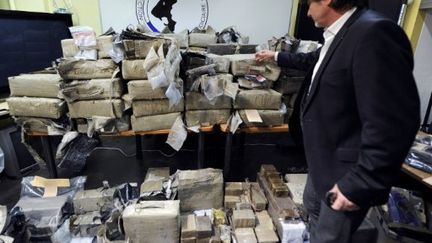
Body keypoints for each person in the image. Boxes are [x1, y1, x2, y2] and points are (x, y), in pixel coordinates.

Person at [256, 0, 420, 242]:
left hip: (346, 174)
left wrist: (361, 182)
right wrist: (276, 55)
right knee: (313, 213)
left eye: (309, 3)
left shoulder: (374, 33)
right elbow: (315, 61)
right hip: (322, 159)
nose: (307, 10)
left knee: (329, 236)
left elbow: (395, 122)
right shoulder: (342, 33)